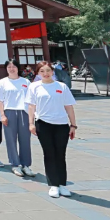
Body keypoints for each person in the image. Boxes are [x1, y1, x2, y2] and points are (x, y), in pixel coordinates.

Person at [26, 61, 78, 198]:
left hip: (61, 125)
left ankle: (62, 184)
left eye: (48, 70)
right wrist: (31, 123)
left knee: (60, 154)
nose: (46, 73)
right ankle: (53, 185)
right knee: (49, 154)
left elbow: (69, 106)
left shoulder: (61, 86)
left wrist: (73, 125)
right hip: (43, 124)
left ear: (53, 71)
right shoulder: (34, 86)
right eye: (42, 71)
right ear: (38, 73)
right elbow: (31, 106)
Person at [0, 59, 34, 177]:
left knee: (25, 139)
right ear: (6, 69)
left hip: (24, 112)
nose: (11, 69)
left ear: (18, 68)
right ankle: (15, 164)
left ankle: (25, 165)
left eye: (14, 66)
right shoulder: (2, 82)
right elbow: (0, 100)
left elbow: (31, 100)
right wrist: (2, 115)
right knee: (11, 139)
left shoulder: (26, 82)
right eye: (9, 67)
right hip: (9, 112)